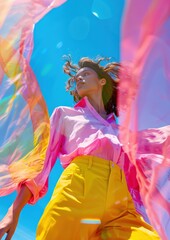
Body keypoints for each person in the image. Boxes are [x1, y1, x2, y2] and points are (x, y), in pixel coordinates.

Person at [0, 57, 160, 240]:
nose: (79, 78)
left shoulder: (122, 132)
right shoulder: (66, 115)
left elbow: (150, 156)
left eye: (85, 73)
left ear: (102, 81)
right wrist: (13, 212)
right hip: (76, 193)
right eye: (76, 76)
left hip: (121, 205)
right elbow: (40, 164)